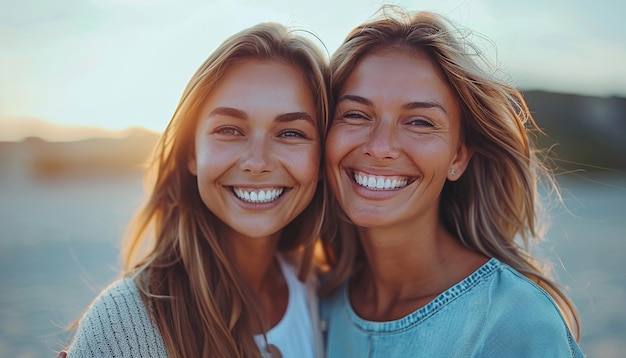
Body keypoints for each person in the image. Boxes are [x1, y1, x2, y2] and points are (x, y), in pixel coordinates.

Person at [319, 7, 584, 357]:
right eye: (355, 114)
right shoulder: (316, 303)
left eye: (419, 122)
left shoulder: (514, 321)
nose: (380, 147)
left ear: (458, 156)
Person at [59, 22, 329, 358]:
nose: (257, 162)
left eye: (291, 133)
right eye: (230, 129)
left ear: (320, 161)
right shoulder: (126, 322)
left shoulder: (323, 295)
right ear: (191, 153)